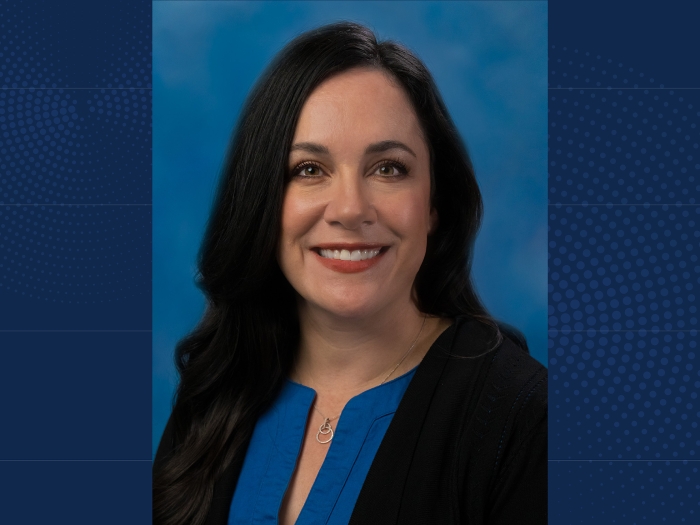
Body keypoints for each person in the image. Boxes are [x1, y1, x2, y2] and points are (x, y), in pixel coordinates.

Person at [153, 22, 547, 525]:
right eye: (309, 170)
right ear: (263, 202)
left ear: (433, 204)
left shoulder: (527, 421)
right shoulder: (214, 396)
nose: (349, 209)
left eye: (388, 168)